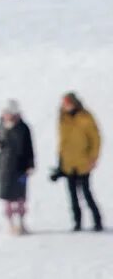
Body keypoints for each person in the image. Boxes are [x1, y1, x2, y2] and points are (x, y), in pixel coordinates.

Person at [56, 92, 102, 232]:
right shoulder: (62, 119)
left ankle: (97, 221)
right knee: (72, 195)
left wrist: (93, 158)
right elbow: (62, 142)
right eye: (64, 104)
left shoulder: (85, 117)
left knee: (86, 193)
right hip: (69, 163)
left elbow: (96, 139)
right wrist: (60, 161)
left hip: (83, 162)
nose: (66, 106)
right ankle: (77, 222)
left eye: (68, 103)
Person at [0, 100, 35, 235]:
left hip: (21, 168)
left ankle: (22, 223)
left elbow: (29, 147)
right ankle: (10, 225)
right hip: (5, 167)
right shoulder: (1, 126)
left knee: (21, 197)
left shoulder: (23, 128)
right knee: (8, 198)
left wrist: (30, 164)